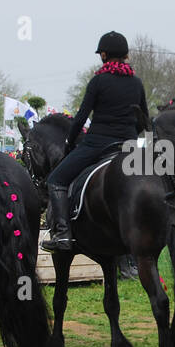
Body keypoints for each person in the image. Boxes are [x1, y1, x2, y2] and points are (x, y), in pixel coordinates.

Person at [42, 31, 148, 252]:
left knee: (56, 180)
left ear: (104, 55)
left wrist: (70, 143)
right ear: (126, 55)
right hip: (128, 148)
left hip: (97, 143)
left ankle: (62, 234)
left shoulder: (98, 81)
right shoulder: (136, 83)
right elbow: (143, 120)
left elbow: (81, 117)